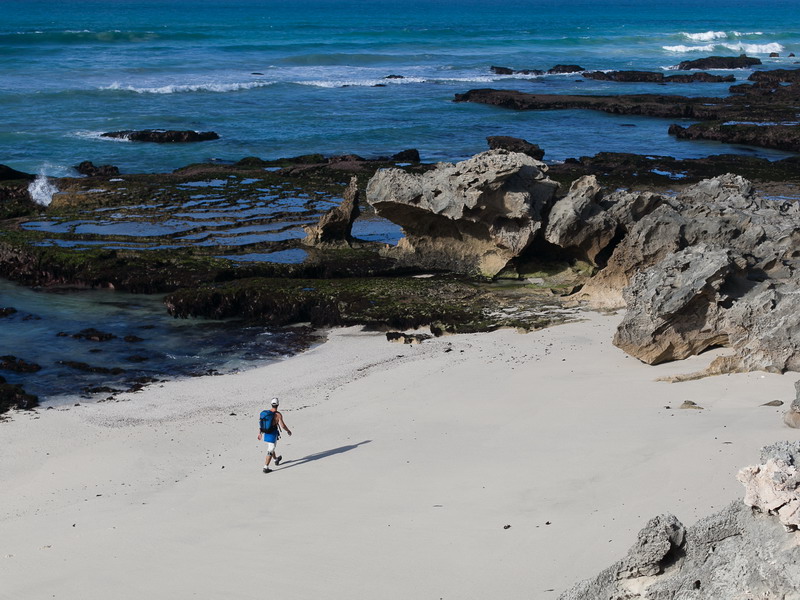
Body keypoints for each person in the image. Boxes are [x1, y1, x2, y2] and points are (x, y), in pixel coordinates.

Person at [258, 397, 292, 473]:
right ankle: (265, 467)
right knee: (271, 449)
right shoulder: (278, 414)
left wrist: (259, 433)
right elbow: (282, 426)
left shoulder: (266, 413)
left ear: (271, 404)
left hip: (266, 432)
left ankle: (276, 459)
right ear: (278, 405)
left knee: (271, 446)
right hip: (272, 434)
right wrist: (288, 431)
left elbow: (261, 423)